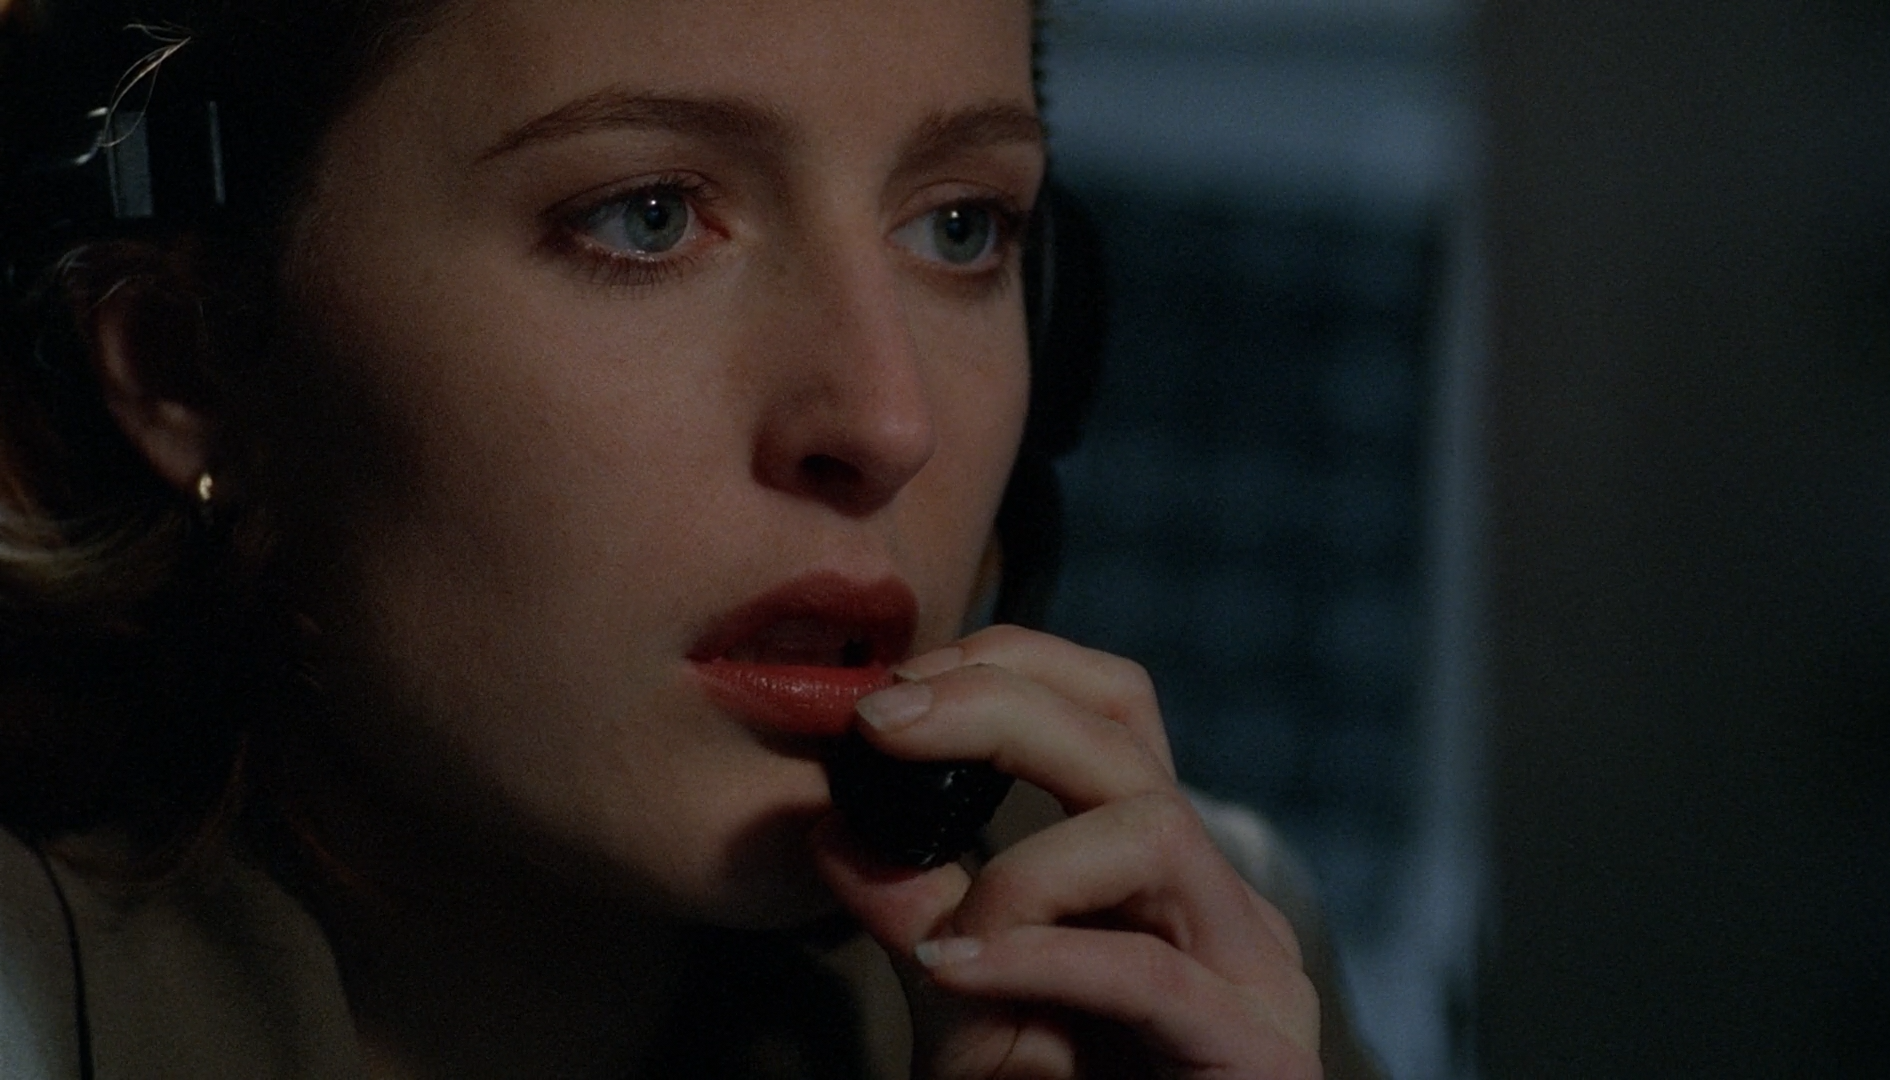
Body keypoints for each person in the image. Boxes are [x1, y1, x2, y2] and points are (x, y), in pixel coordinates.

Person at [1, 1, 1374, 1076]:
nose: (886, 420)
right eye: (647, 216)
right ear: (189, 362)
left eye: (960, 228)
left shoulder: (1194, 960)